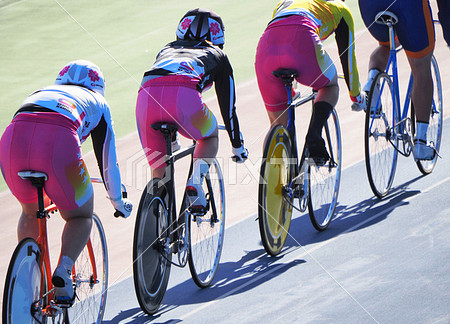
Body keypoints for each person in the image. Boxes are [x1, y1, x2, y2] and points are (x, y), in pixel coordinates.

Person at [0, 60, 133, 303]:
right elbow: (108, 163)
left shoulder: (41, 91)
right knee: (80, 216)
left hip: (11, 144)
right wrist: (117, 201)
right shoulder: (99, 103)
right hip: (58, 142)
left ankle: (32, 278)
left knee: (30, 212)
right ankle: (62, 271)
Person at [135, 8, 248, 209]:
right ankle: (195, 182)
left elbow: (163, 86)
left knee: (159, 174)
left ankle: (155, 220)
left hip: (145, 98)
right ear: (218, 35)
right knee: (209, 135)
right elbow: (228, 106)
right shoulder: (218, 54)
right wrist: (237, 144)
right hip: (184, 97)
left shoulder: (166, 50)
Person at [255, 0, 365, 162]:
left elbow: (281, 37)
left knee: (277, 126)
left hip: (265, 47)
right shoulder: (340, 8)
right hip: (303, 38)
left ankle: (269, 183)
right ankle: (314, 135)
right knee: (330, 85)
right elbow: (348, 58)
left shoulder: (285, 2)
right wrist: (356, 96)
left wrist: (291, 92)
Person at [358, 0, 436, 160]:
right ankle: (421, 143)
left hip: (369, 7)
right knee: (421, 66)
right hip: (408, 6)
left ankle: (372, 82)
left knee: (386, 44)